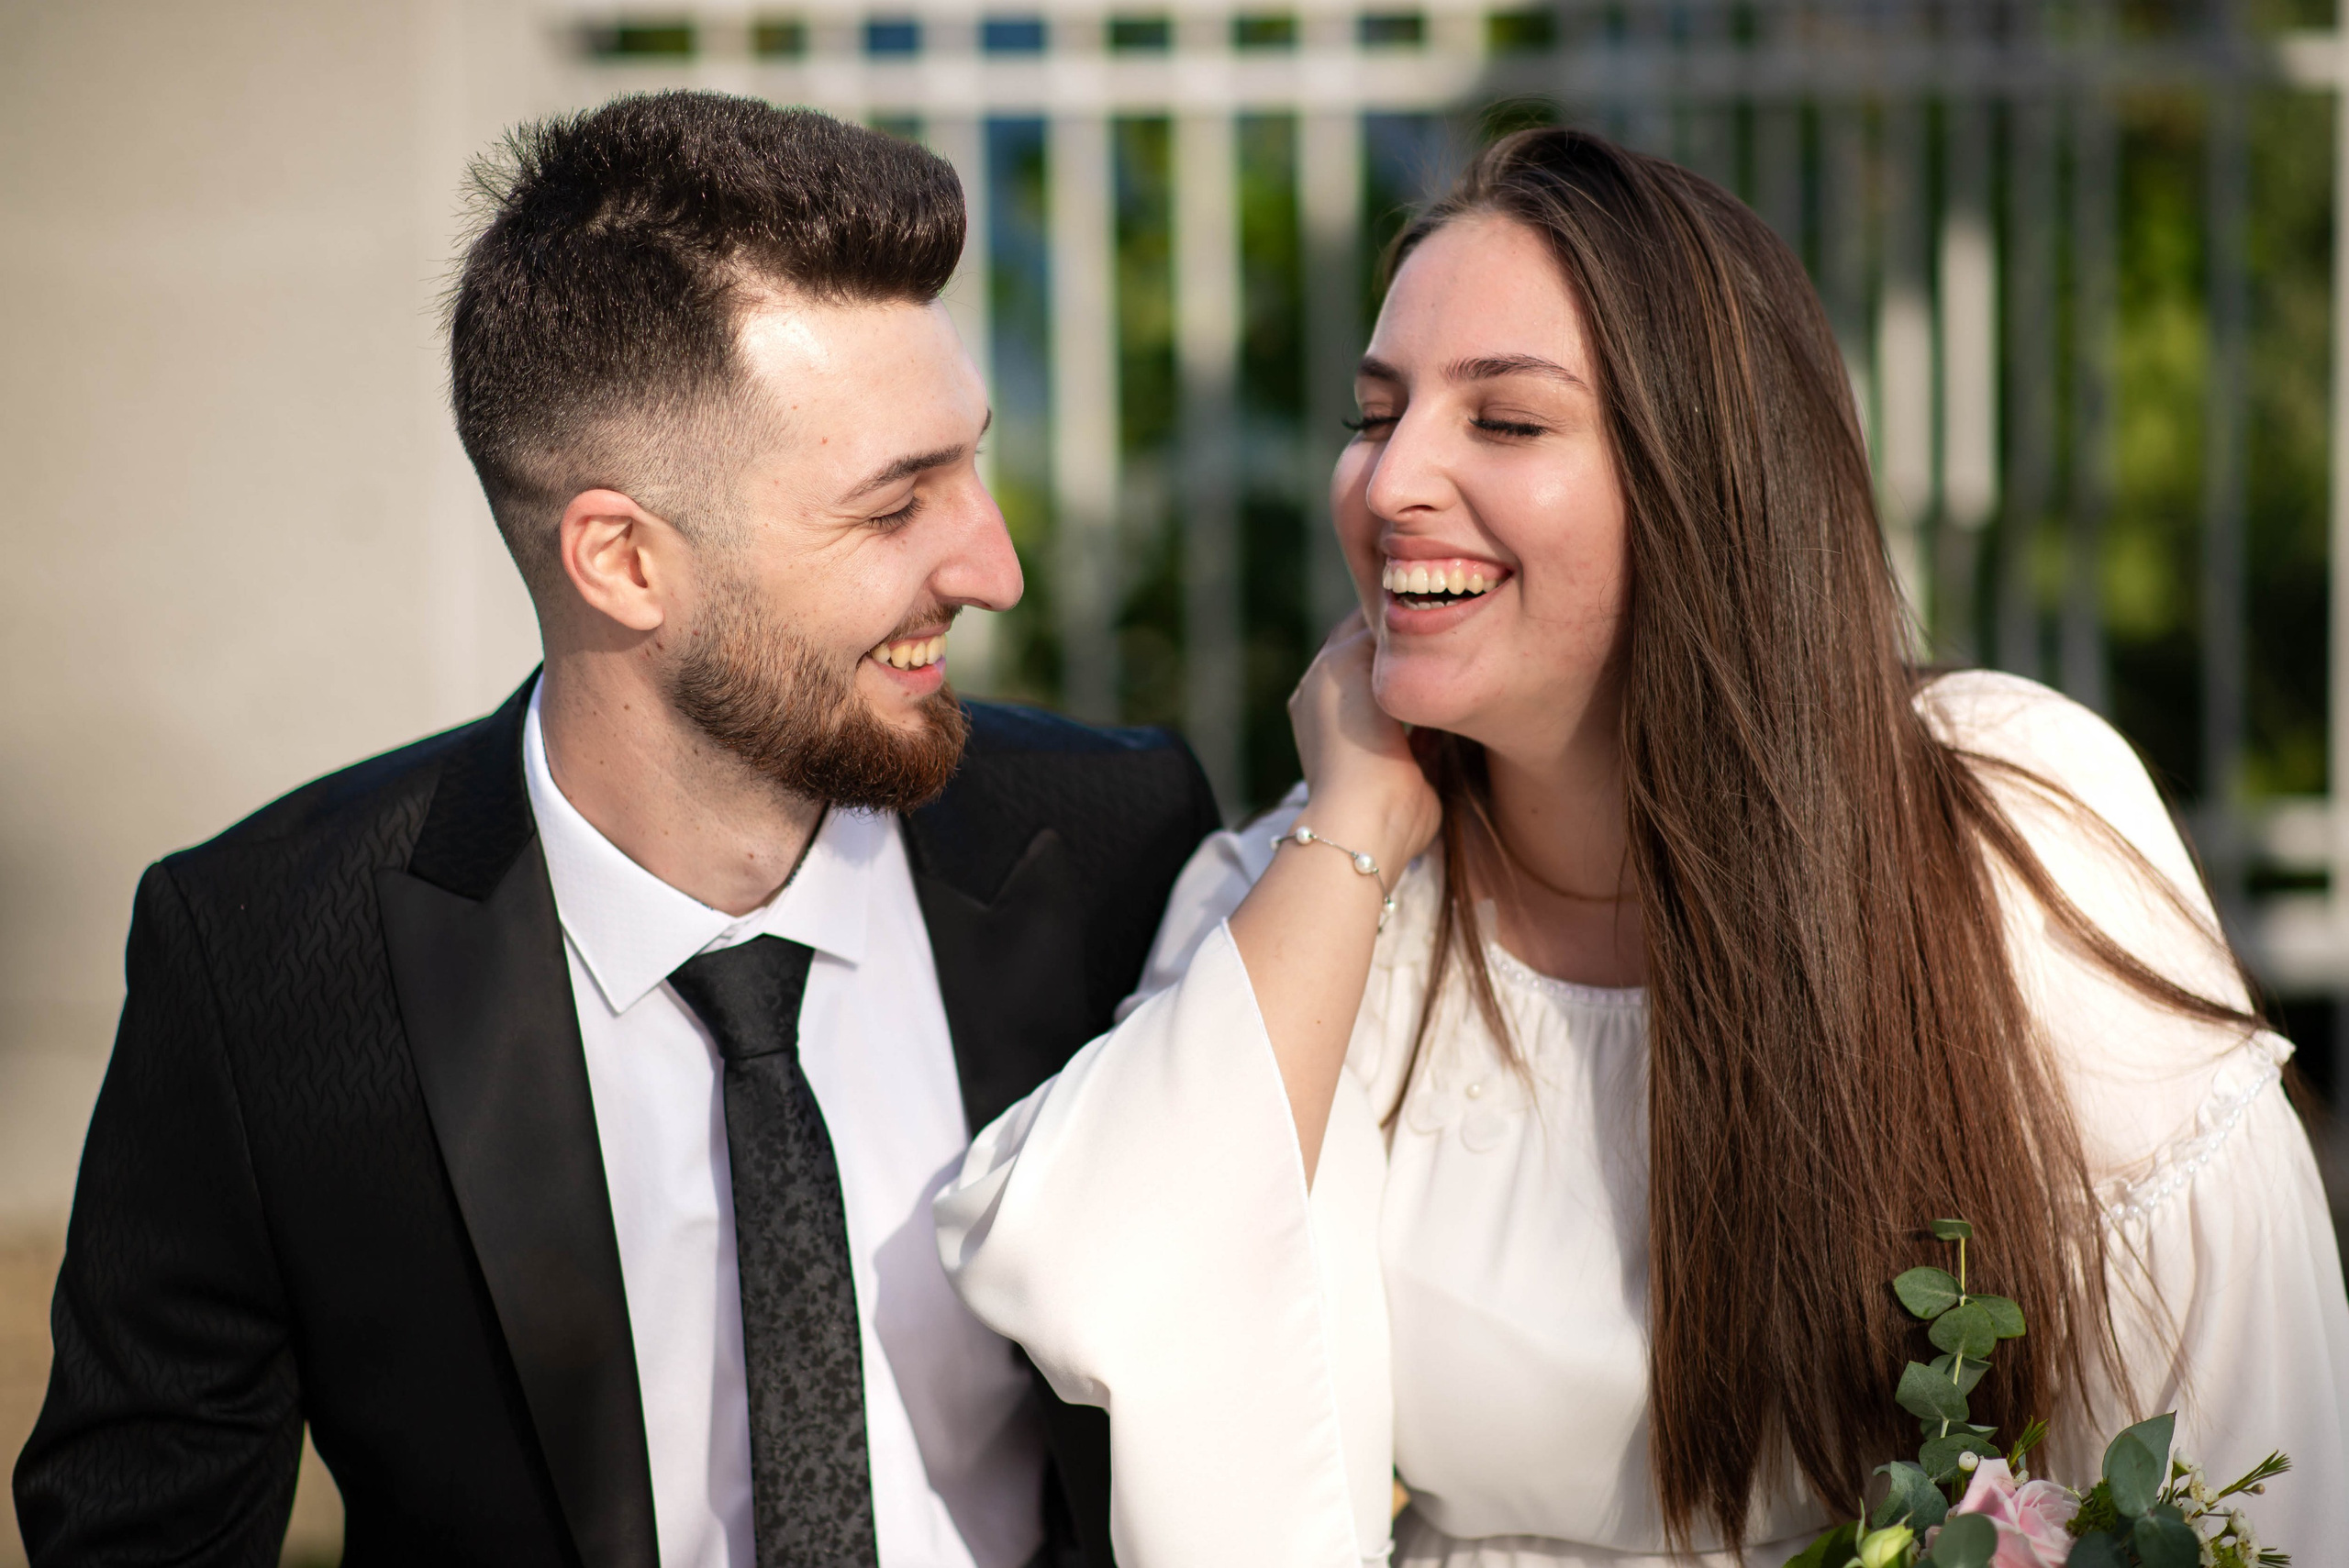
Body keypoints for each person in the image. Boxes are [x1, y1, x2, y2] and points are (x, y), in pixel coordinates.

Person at [936, 129, 2349, 1568]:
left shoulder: (1999, 820)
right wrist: (1354, 822)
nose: (1390, 479)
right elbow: (1105, 1282)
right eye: (1377, 414)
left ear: (1704, 480)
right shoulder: (1313, 892)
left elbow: (2233, 1437)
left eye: (1506, 421)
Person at [15, 93, 1217, 1568]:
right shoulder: (268, 968)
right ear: (623, 560)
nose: (996, 563)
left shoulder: (1118, 850)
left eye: (970, 461)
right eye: (897, 503)